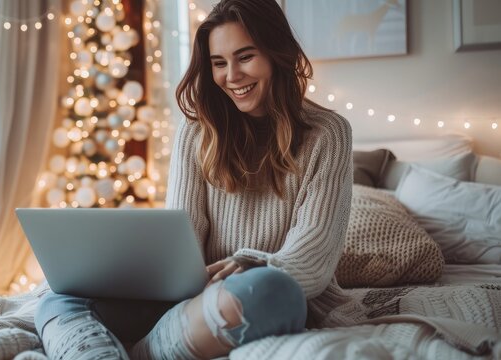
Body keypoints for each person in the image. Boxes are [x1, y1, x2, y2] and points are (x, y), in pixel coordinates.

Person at [34, 0, 353, 358]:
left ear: (276, 53)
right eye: (219, 63)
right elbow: (184, 241)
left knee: (270, 290)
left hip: (265, 293)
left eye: (245, 57)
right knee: (55, 298)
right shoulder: (197, 132)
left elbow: (313, 257)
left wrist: (250, 264)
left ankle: (141, 351)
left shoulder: (328, 133)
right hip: (192, 299)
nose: (231, 76)